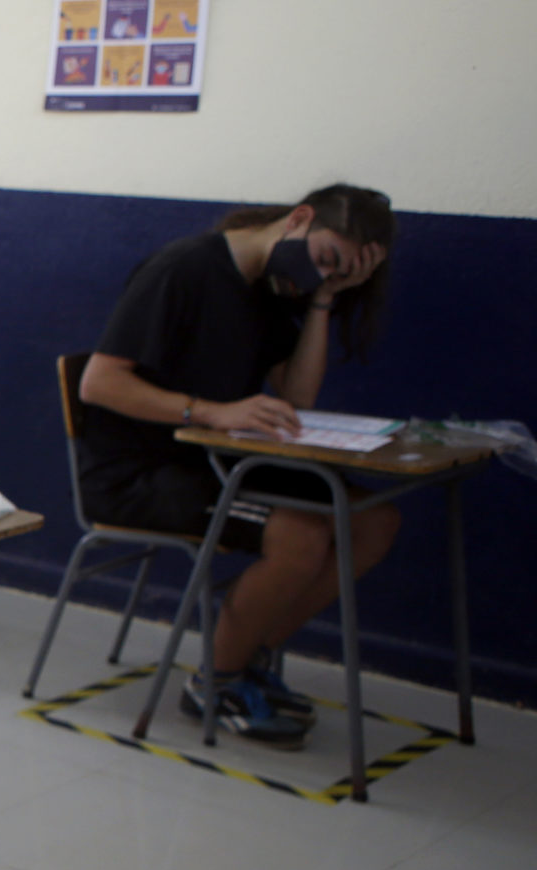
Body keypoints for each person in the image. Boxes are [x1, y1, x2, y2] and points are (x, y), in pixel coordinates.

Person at [77, 184, 398, 747]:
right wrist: (210, 411)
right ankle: (216, 682)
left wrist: (324, 299)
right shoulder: (183, 269)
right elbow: (98, 383)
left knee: (374, 521)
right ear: (298, 219)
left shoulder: (273, 288)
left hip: (217, 459)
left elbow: (297, 396)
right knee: (300, 535)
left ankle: (247, 654)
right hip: (140, 471)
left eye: (338, 272)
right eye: (325, 259)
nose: (321, 274)